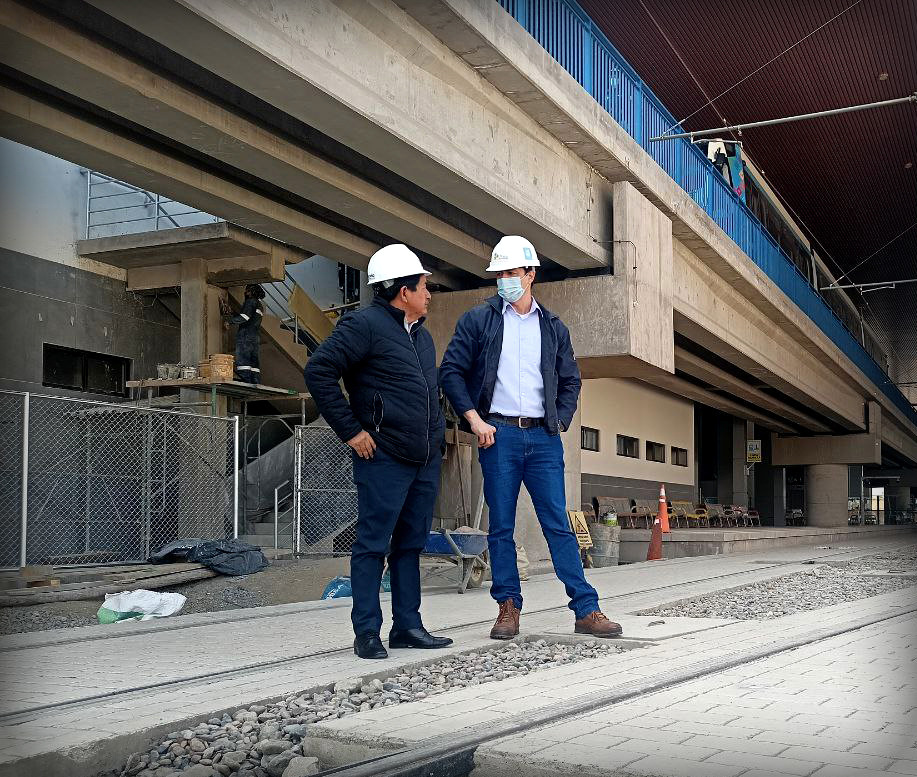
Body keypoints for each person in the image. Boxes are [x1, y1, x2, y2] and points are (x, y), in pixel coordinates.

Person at [440, 235, 622, 640]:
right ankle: (508, 608)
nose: (504, 279)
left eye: (511, 272)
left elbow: (571, 379)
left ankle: (586, 609)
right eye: (499, 272)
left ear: (530, 274)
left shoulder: (553, 327)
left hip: (542, 438)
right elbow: (450, 371)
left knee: (558, 524)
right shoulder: (479, 319)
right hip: (498, 435)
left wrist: (559, 421)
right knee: (500, 527)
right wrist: (474, 420)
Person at [305, 244, 452, 659]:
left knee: (409, 544)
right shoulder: (363, 325)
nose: (429, 294)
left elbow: (428, 395)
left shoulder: (421, 338)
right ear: (403, 291)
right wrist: (351, 431)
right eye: (423, 286)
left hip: (422, 459)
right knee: (372, 544)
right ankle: (367, 632)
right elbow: (319, 371)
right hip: (382, 456)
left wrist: (436, 441)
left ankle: (408, 626)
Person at [225, 283, 265, 384]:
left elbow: (245, 317)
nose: (245, 293)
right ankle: (255, 382)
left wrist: (229, 321)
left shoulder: (250, 302)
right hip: (255, 336)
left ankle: (245, 382)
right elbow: (249, 317)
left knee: (243, 359)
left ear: (251, 292)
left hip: (245, 335)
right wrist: (234, 314)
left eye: (246, 290)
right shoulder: (260, 305)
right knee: (253, 361)